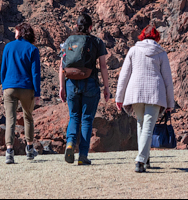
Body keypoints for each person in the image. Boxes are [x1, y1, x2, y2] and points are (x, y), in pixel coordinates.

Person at [115, 25, 175, 173]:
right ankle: (141, 159)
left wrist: (119, 97)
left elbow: (124, 75)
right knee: (148, 125)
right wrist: (170, 102)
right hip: (155, 92)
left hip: (135, 91)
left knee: (141, 124)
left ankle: (145, 157)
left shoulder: (133, 50)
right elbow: (168, 79)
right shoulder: (161, 53)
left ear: (143, 35)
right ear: (156, 37)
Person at [58, 12, 110, 165]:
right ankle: (82, 156)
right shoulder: (96, 42)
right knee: (87, 119)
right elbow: (103, 66)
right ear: (91, 27)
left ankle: (70, 144)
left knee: (74, 116)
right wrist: (106, 87)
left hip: (71, 83)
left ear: (76, 26)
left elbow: (62, 65)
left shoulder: (68, 40)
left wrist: (62, 86)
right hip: (90, 83)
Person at [0, 21, 42, 164]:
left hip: (9, 87)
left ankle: (9, 151)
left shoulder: (8, 47)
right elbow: (35, 73)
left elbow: (3, 70)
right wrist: (37, 93)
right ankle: (29, 149)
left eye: (16, 30)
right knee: (28, 117)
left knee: (10, 119)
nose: (14, 33)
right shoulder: (32, 49)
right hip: (26, 87)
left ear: (21, 32)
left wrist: (4, 85)